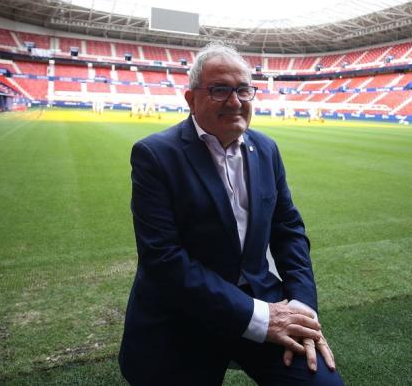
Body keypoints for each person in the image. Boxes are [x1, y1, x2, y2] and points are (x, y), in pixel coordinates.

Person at [119, 41, 343, 386]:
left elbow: (289, 231)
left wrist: (301, 306)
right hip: (183, 316)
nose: (235, 101)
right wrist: (259, 318)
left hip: (266, 302)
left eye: (243, 90)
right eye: (220, 90)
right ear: (191, 99)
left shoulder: (266, 149)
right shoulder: (155, 155)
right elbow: (163, 258)